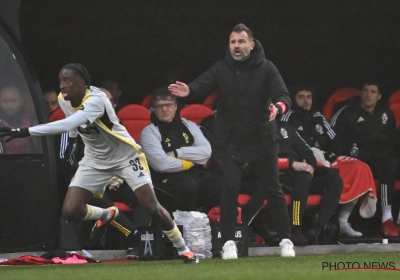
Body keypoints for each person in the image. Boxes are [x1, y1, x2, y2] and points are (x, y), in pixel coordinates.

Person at [0, 63, 197, 263]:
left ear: (82, 83)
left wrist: (24, 131)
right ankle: (107, 214)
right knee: (70, 211)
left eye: (67, 80)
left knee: (152, 206)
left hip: (125, 156)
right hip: (95, 159)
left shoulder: (96, 99)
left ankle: (184, 250)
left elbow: (69, 123)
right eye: (60, 80)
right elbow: (73, 127)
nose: (62, 85)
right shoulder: (63, 99)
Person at [169, 23, 295, 258]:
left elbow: (283, 96)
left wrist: (277, 108)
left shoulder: (267, 68)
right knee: (229, 189)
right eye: (233, 42)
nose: (236, 46)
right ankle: (228, 243)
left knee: (273, 189)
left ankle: (286, 240)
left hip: (262, 138)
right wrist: (190, 90)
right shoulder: (221, 68)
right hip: (230, 140)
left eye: (241, 41)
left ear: (251, 44)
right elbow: (201, 84)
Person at [281, 84, 377, 237]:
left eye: (309, 97)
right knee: (323, 174)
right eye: (301, 97)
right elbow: (287, 145)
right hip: (304, 163)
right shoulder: (288, 117)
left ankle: (340, 221)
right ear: (294, 99)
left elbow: (336, 139)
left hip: (325, 159)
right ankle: (297, 229)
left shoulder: (318, 117)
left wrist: (332, 154)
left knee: (360, 167)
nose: (306, 101)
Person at [330, 81, 399, 237]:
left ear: (379, 96)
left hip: (382, 159)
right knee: (375, 166)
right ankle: (384, 218)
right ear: (360, 93)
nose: (369, 95)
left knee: (391, 162)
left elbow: (394, 138)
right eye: (366, 91)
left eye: (373, 92)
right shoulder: (347, 112)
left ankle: (390, 217)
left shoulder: (385, 112)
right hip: (358, 159)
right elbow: (334, 138)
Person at [139, 87, 220, 215]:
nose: (164, 109)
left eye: (168, 105)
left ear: (175, 106)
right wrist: (192, 162)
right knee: (188, 185)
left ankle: (203, 218)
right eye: (160, 106)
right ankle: (182, 225)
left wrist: (177, 153)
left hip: (193, 177)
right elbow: (161, 164)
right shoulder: (149, 132)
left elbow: (206, 152)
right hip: (164, 181)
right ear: (153, 109)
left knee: (220, 182)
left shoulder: (189, 125)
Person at [277, 120, 343, 245]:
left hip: (300, 175)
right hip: (279, 176)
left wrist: (311, 167)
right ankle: (296, 229)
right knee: (302, 177)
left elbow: (306, 150)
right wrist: (292, 164)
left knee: (335, 181)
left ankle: (316, 230)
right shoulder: (261, 128)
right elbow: (264, 160)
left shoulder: (287, 126)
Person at [0, 85, 41, 154]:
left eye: (13, 101)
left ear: (21, 102)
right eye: (5, 101)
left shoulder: (31, 123)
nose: (9, 106)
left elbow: (38, 148)